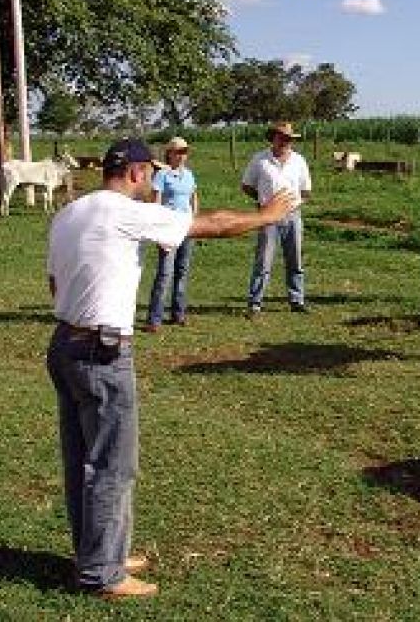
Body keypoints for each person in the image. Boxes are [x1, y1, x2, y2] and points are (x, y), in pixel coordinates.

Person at [46, 138, 296, 599]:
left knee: (81, 456)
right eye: (152, 173)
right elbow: (211, 224)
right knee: (111, 464)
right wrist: (266, 217)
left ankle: (98, 553)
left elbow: (53, 282)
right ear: (137, 173)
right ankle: (102, 573)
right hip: (102, 350)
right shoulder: (126, 212)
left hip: (64, 341)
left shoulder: (71, 212)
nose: (156, 181)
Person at [242, 122, 312, 316]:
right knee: (263, 260)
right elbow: (246, 185)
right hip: (268, 216)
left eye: (289, 139)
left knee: (295, 259)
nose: (285, 142)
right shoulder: (259, 159)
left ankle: (297, 300)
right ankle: (255, 303)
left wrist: (294, 204)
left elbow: (306, 191)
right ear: (273, 138)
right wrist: (263, 202)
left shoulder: (299, 161)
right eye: (281, 137)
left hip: (292, 216)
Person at [144, 136, 199, 332]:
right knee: (165, 273)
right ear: (171, 154)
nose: (183, 155)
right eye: (179, 152)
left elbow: (193, 198)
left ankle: (178, 313)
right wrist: (159, 233)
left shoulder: (189, 175)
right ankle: (154, 319)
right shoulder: (162, 176)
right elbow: (155, 204)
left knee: (182, 272)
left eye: (185, 152)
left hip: (186, 228)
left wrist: (195, 222)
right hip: (168, 229)